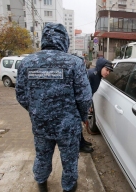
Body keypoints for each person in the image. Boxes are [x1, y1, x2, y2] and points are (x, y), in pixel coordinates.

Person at [15, 23, 92, 192]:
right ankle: (69, 187)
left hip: (40, 123)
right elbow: (85, 97)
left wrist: (36, 109)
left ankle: (41, 183)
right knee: (69, 159)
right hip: (68, 125)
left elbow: (20, 95)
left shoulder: (27, 62)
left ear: (44, 38)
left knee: (42, 155)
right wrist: (82, 116)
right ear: (64, 39)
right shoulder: (74, 63)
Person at [80, 57, 113, 141]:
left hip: (84, 102)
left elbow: (90, 92)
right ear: (101, 66)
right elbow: (81, 90)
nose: (108, 73)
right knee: (76, 126)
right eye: (107, 70)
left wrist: (89, 103)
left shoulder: (98, 76)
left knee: (79, 125)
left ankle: (82, 142)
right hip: (78, 103)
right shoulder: (91, 74)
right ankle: (80, 145)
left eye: (109, 71)